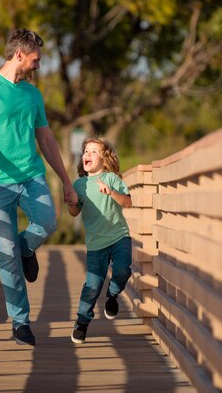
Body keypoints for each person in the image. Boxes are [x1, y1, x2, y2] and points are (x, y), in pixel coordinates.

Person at [0, 28, 76, 347]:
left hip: (31, 176)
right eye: (36, 60)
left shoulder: (32, 95)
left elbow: (47, 139)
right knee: (7, 254)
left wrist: (67, 181)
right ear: (19, 56)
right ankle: (20, 322)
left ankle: (28, 247)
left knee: (48, 222)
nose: (39, 65)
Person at [66, 137, 132, 344]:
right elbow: (74, 212)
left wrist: (111, 192)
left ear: (105, 159)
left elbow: (128, 202)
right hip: (96, 245)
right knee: (92, 286)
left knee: (122, 270)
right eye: (86, 151)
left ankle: (112, 294)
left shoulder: (112, 179)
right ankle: (82, 322)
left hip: (119, 236)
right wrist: (71, 202)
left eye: (94, 151)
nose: (88, 154)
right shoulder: (79, 184)